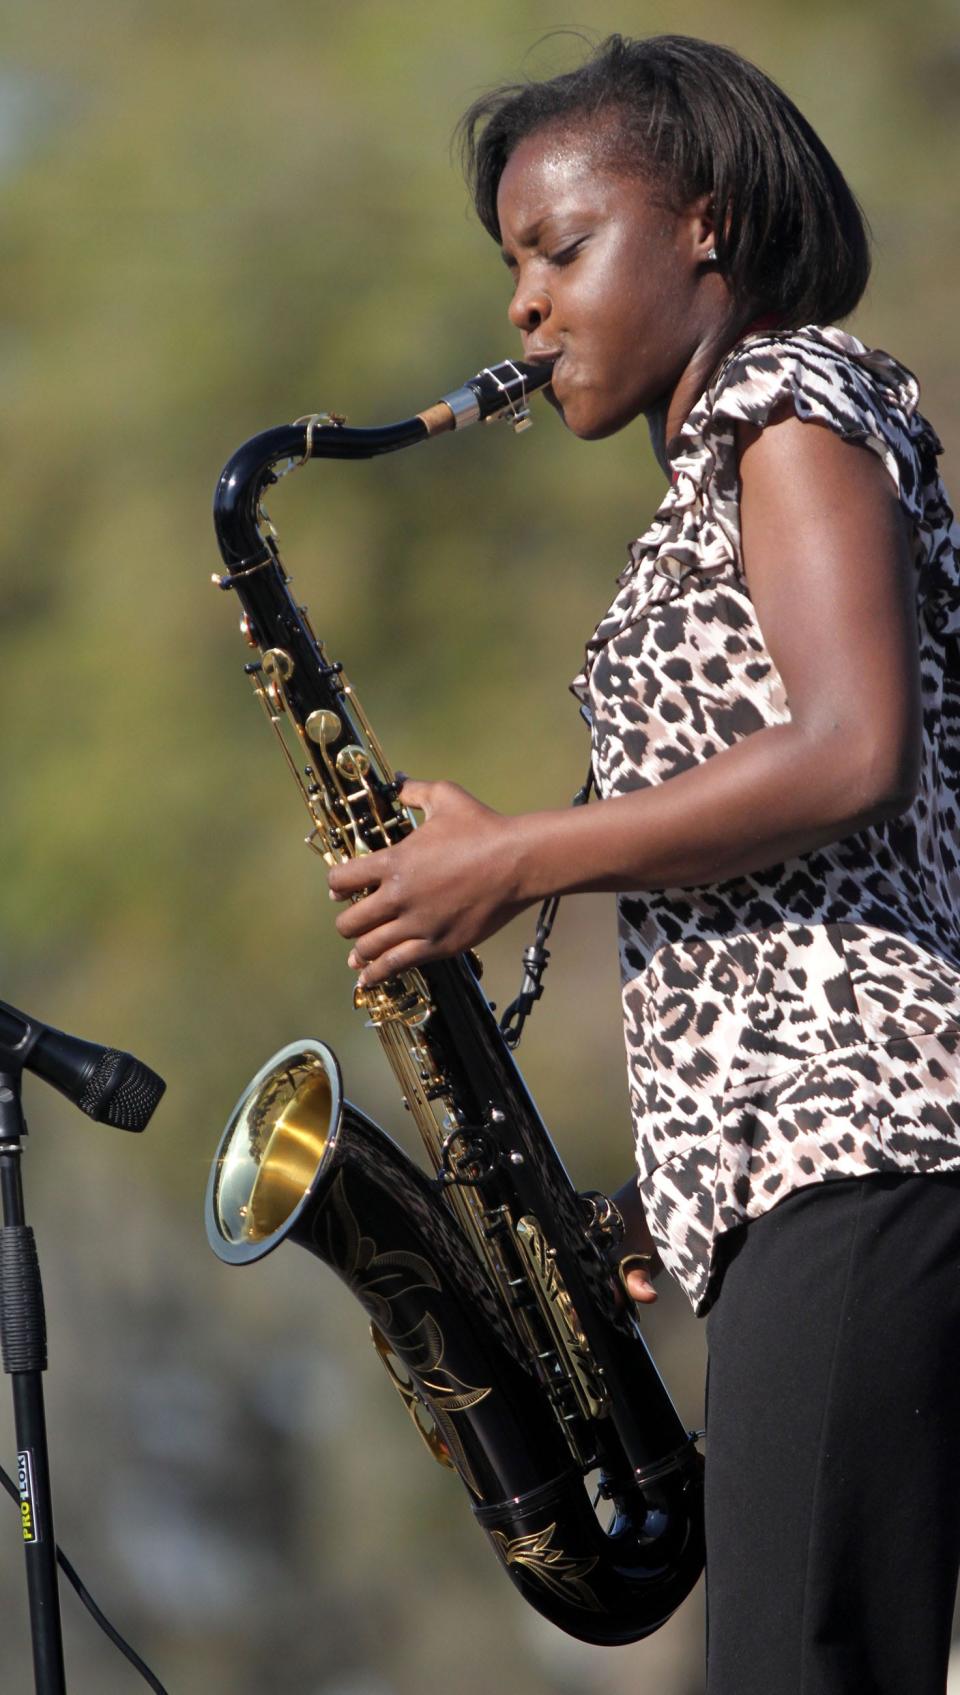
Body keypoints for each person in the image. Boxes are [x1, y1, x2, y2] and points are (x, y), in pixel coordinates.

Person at [328, 33, 960, 1694]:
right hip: (805, 1175)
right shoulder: (712, 470)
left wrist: (519, 859)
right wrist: (659, 1217)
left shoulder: (789, 400)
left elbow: (851, 753)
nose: (524, 306)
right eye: (510, 269)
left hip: (868, 1153)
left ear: (707, 224)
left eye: (562, 246)